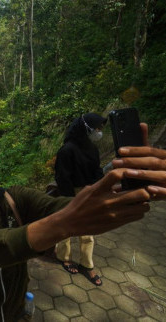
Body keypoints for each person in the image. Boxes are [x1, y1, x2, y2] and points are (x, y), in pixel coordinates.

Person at [0, 128, 166, 322]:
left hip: (17, 313)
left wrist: (125, 191)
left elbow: (67, 208)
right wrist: (63, 224)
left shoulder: (15, 199)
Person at [54, 113, 107, 286]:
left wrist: (96, 188)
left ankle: (87, 264)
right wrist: (69, 200)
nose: (99, 132)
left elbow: (97, 170)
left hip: (88, 191)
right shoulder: (67, 150)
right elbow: (62, 177)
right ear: (87, 129)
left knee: (87, 230)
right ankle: (65, 258)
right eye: (97, 129)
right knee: (66, 228)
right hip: (69, 193)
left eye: (100, 129)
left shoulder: (92, 148)